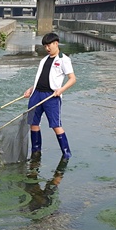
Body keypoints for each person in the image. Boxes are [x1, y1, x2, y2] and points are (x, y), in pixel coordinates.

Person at [24, 32, 76, 160]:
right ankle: (36, 152)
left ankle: (66, 153)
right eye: (45, 46)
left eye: (49, 45)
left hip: (51, 96)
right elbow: (41, 78)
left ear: (56, 43)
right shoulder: (44, 60)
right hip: (36, 94)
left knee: (55, 125)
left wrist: (61, 90)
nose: (47, 48)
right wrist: (31, 89)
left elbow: (72, 79)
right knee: (33, 123)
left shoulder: (64, 59)